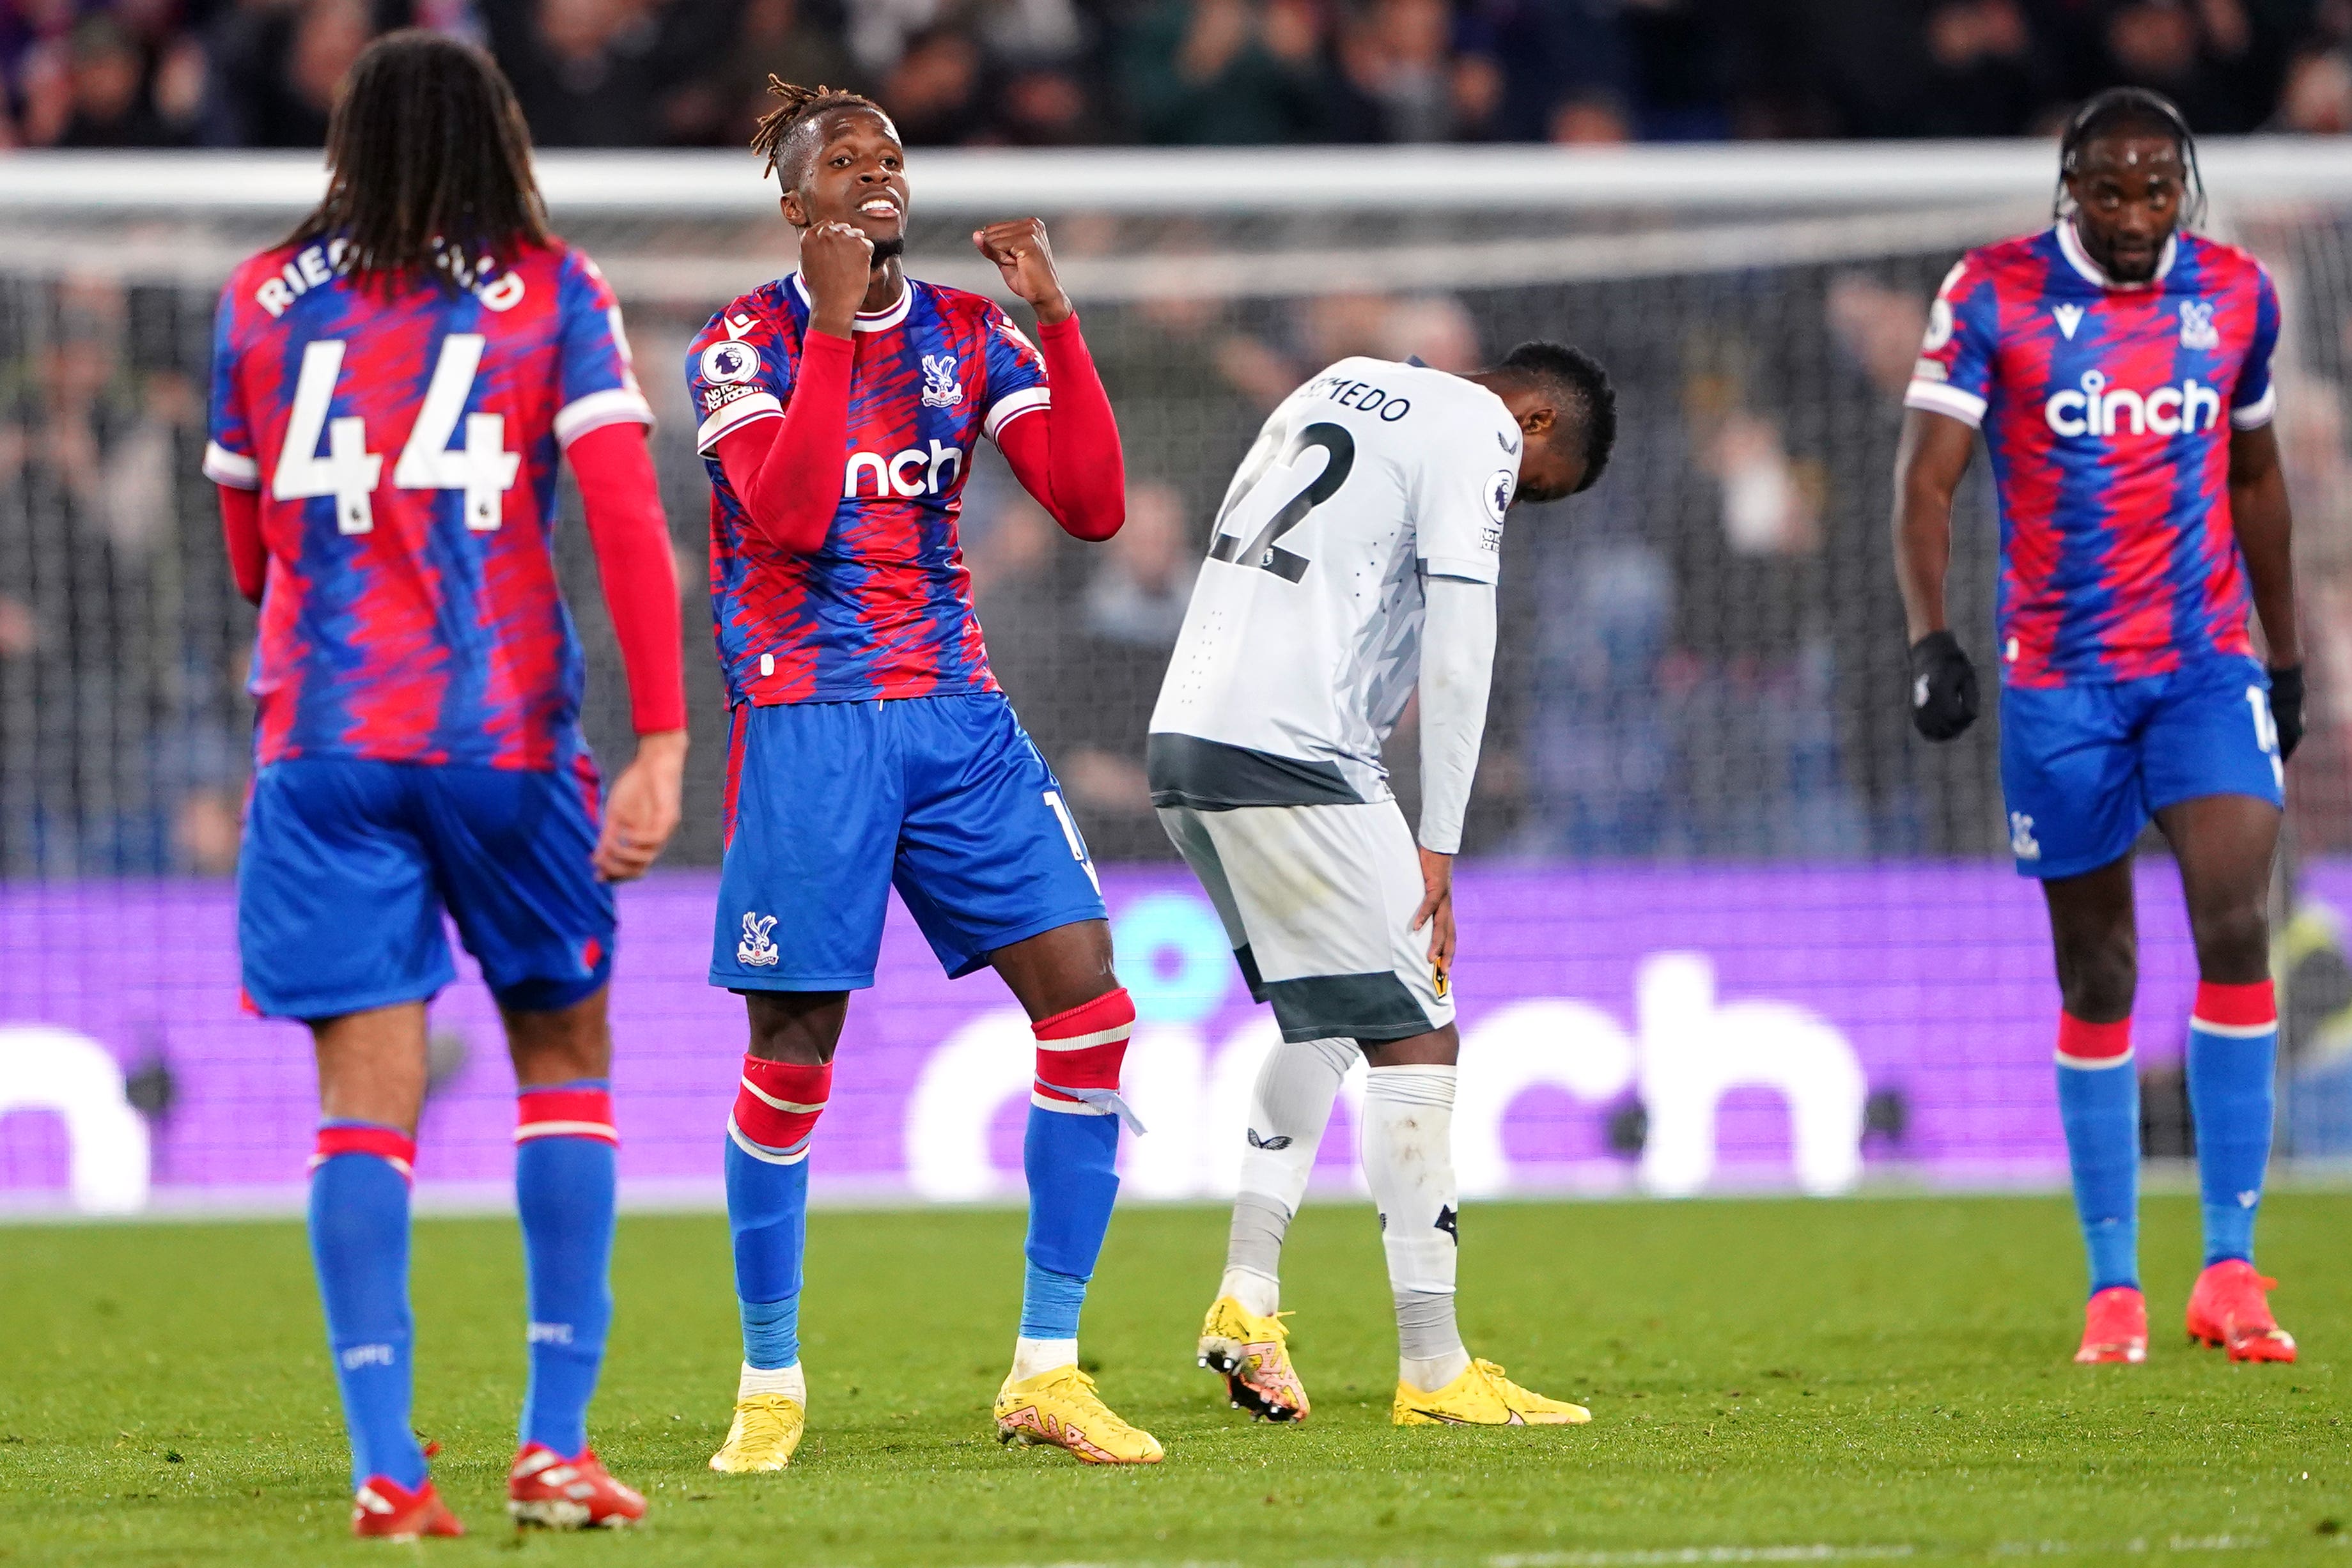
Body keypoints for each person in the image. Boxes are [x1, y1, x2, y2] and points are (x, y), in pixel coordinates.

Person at [204, 32, 685, 1539]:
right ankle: (551, 1448)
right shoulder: (556, 292)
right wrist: (665, 742)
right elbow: (621, 522)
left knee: (361, 1098)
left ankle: (386, 1467)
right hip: (501, 739)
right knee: (563, 1052)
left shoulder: (257, 302)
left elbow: (243, 555)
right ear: (501, 136)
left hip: (328, 737)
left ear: (346, 138)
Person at [685, 78, 1152, 1471]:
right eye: (845, 160)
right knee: (791, 1055)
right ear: (794, 201)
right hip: (809, 721)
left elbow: (1091, 506)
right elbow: (787, 509)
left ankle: (1048, 1371)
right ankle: (770, 1382)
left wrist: (1058, 321)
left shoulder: (963, 329)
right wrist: (829, 329)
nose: (878, 176)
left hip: (956, 714)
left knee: (1091, 1013)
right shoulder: (739, 344)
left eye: (891, 155)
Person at [1895, 87, 2302, 1367]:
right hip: (2058, 681)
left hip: (2199, 662)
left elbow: (2255, 475)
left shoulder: (2235, 294)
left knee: (2237, 921)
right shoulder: (1993, 294)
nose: (2133, 216)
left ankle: (2230, 1269)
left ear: (2183, 188)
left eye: (2154, 191)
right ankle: (2114, 1284)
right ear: (2069, 188)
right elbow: (1925, 477)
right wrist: (1931, 638)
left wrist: (2285, 656)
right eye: (2109, 192)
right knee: (2099, 974)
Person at [1149, 341, 1616, 1425]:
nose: (1512, 503)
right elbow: (1463, 644)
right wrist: (1439, 844)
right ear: (1536, 424)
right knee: (1420, 1030)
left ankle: (1247, 1298)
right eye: (1529, 495)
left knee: (1327, 1018)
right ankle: (1435, 1365)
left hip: (1187, 741)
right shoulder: (1481, 428)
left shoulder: (1336, 381)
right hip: (1296, 753)